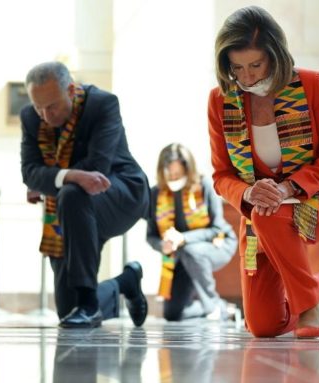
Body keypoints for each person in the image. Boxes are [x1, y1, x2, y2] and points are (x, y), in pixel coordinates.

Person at [208, 5, 319, 338]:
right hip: (258, 209)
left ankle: (310, 306)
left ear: (275, 55)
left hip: (317, 199)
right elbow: (221, 175)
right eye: (237, 67)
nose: (247, 76)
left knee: (268, 215)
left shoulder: (311, 84)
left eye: (256, 65)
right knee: (262, 327)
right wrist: (247, 192)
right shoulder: (219, 101)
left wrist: (287, 189)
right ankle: (318, 287)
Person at [21, 61, 149, 329]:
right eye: (38, 107)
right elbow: (29, 172)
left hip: (120, 193)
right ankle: (124, 283)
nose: (46, 115)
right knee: (68, 310)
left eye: (52, 105)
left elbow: (96, 169)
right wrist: (65, 176)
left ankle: (90, 304)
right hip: (72, 207)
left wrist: (52, 179)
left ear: (70, 89)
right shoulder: (30, 118)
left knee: (72, 193)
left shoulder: (102, 104)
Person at [146, 143, 237, 321]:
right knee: (172, 314)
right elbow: (150, 236)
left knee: (191, 250)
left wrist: (183, 238)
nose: (174, 178)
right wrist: (162, 245)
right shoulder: (155, 193)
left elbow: (217, 228)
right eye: (170, 174)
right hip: (179, 255)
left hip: (218, 244)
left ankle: (211, 302)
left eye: (178, 174)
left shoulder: (203, 185)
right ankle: (220, 308)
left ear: (188, 171)